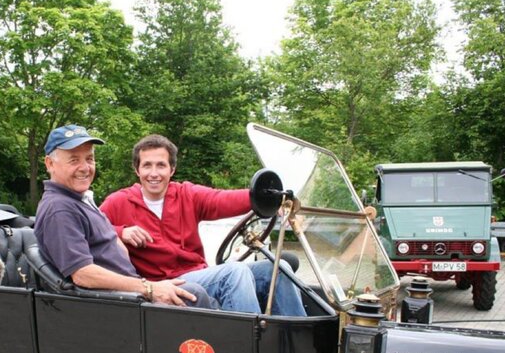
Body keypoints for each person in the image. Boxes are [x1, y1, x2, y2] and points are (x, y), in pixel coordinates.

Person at [100, 134, 307, 316]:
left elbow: (221, 199)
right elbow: (89, 229)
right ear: (137, 169)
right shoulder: (118, 202)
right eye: (147, 165)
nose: (154, 173)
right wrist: (121, 231)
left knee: (280, 268)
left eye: (161, 165)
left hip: (198, 274)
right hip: (162, 285)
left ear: (172, 169)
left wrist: (267, 197)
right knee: (235, 272)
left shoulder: (186, 194)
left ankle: (298, 348)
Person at [34, 125, 215, 308]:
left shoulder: (78, 200)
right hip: (118, 305)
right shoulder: (59, 209)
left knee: (212, 293)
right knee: (195, 294)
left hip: (130, 294)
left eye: (89, 159)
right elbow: (83, 275)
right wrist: (149, 288)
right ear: (50, 164)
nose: (85, 168)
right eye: (74, 160)